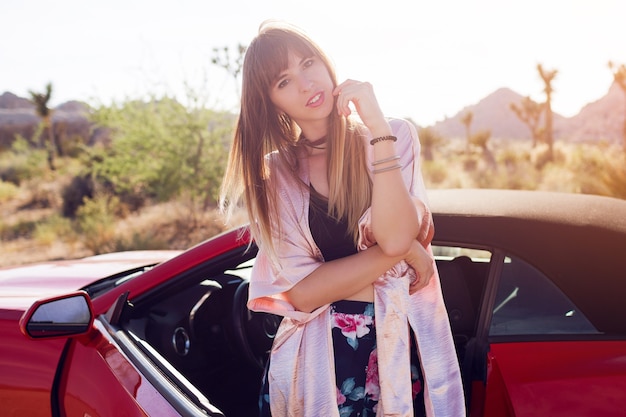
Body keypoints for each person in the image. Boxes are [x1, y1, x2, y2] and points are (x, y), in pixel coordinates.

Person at [220, 20, 465, 417]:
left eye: (308, 63)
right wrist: (402, 255)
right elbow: (302, 294)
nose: (305, 84)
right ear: (271, 102)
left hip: (394, 351)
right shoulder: (276, 173)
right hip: (315, 361)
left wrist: (378, 129)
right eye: (283, 81)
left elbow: (396, 232)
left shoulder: (393, 135)